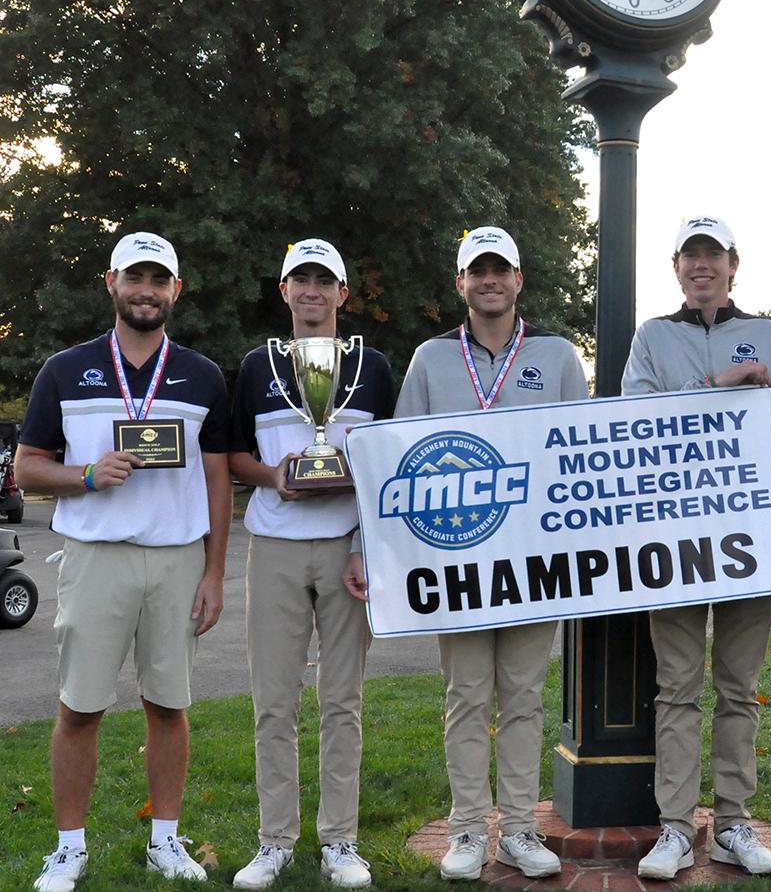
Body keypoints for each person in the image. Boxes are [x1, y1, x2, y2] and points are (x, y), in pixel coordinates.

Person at [343, 226, 588, 882]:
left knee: (525, 696)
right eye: (477, 271)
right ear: (460, 283)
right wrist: (377, 549)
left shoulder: (558, 356)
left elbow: (581, 458)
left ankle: (520, 831)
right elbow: (398, 463)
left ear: (518, 280)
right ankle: (466, 830)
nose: (489, 281)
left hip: (536, 563)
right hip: (456, 559)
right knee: (466, 696)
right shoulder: (430, 358)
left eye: (499, 270)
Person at [15, 232, 231, 891]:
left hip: (175, 562)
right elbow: (27, 468)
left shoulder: (201, 375)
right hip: (95, 558)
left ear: (175, 291)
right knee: (79, 708)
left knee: (168, 705)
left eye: (158, 279)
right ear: (111, 282)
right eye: (135, 277)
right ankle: (69, 848)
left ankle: (166, 840)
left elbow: (219, 480)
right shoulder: (65, 368)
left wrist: (216, 572)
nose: (146, 290)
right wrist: (84, 474)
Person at [622, 215, 771, 881]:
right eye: (690, 256)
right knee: (676, 689)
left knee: (739, 687)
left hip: (751, 539)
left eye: (713, 255)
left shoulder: (768, 337)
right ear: (676, 267)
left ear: (734, 264)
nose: (701, 266)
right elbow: (636, 422)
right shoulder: (653, 337)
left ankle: (733, 822)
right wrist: (718, 388)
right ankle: (676, 828)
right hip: (674, 541)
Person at [227, 239, 395, 889]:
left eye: (325, 281)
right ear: (284, 291)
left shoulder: (374, 367)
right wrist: (276, 477)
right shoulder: (254, 365)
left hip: (347, 545)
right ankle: (274, 841)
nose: (313, 291)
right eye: (302, 279)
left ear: (343, 294)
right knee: (273, 700)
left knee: (341, 699)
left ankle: (340, 841)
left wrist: (361, 538)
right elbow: (235, 455)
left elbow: (387, 463)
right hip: (273, 544)